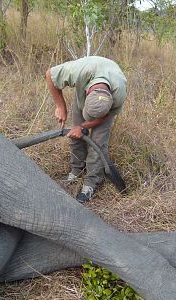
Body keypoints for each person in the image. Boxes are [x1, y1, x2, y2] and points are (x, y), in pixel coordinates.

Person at [45, 56, 127, 203]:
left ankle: (91, 183)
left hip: (105, 103)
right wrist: (61, 106)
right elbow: (50, 75)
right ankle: (77, 170)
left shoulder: (119, 93)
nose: (87, 119)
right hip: (86, 86)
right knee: (74, 135)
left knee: (97, 143)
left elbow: (104, 116)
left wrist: (83, 126)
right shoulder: (79, 71)